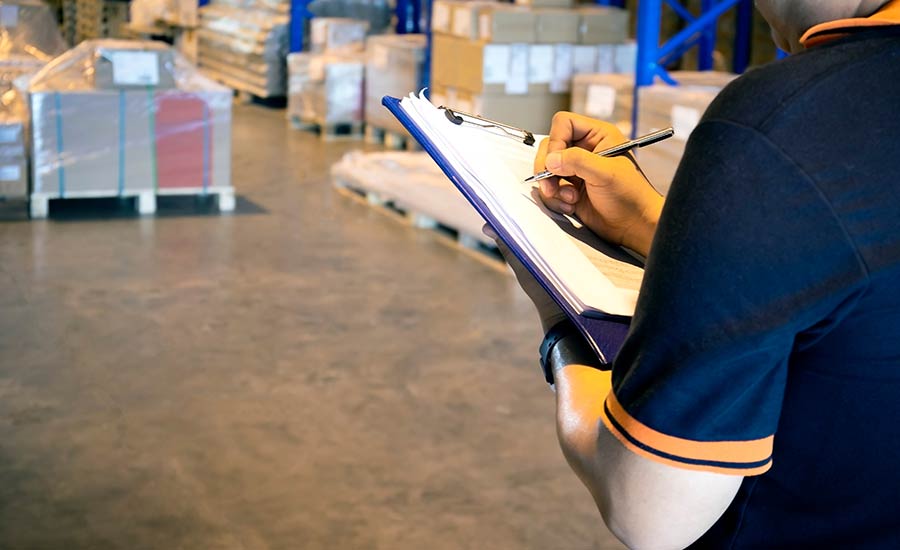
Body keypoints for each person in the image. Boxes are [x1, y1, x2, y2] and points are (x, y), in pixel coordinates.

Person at [490, 0, 900, 547]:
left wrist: (559, 316)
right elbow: (849, 270)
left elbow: (649, 510)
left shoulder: (790, 120)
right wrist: (646, 221)